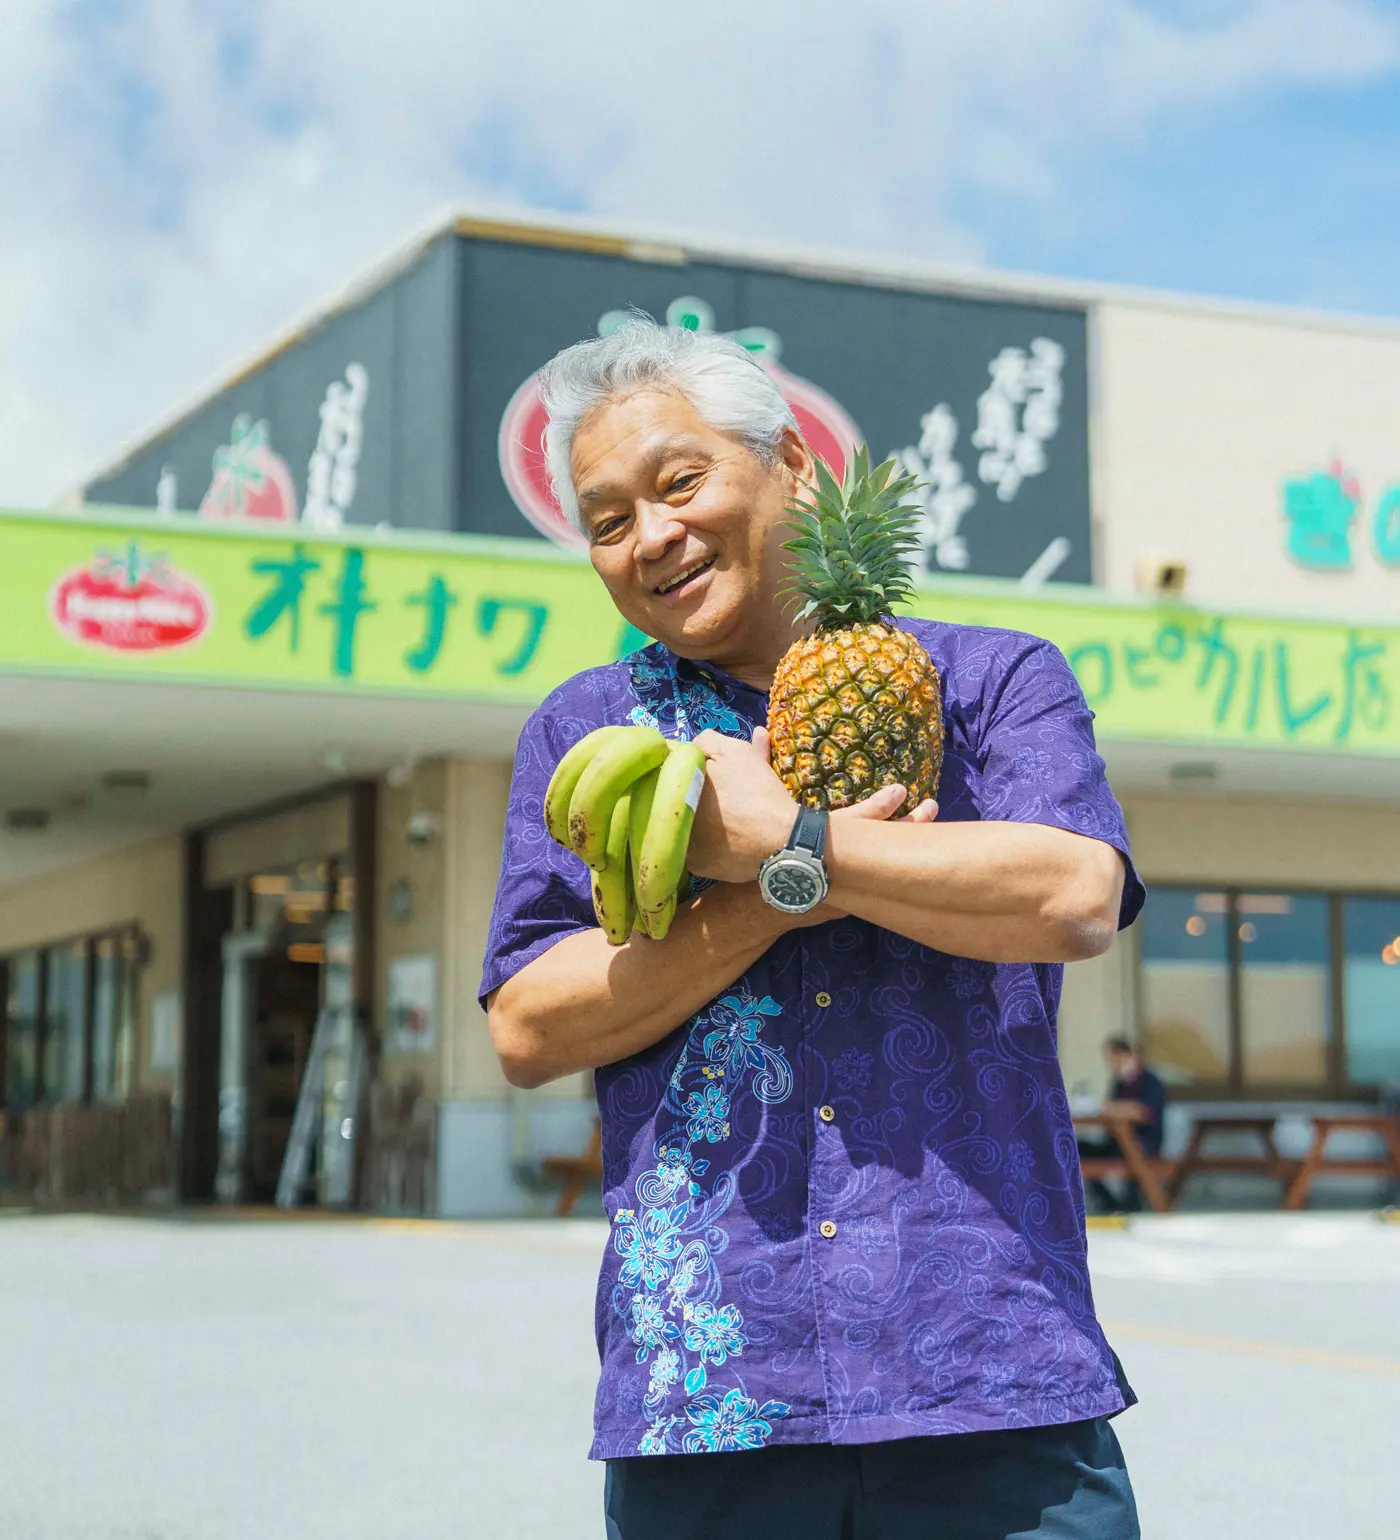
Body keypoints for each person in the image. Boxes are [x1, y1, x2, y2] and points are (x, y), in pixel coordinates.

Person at [480, 320, 1147, 1540]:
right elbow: (525, 1022)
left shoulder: (990, 681)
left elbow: (1072, 896)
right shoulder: (589, 732)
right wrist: (791, 885)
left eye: (678, 482)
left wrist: (791, 837)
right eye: (607, 519)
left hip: (989, 1367)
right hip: (711, 1393)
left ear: (788, 467)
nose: (650, 537)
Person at [1079, 1039, 1168, 1215]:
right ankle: (1110, 1204)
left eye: (1113, 1059)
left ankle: (1131, 1205)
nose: (1110, 1064)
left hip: (1144, 1143)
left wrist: (1109, 1108)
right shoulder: (1119, 1083)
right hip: (1116, 1142)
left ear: (1126, 1056)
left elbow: (1143, 1111)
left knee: (1132, 1152)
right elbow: (1109, 1111)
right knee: (1079, 1150)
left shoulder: (1150, 1081)